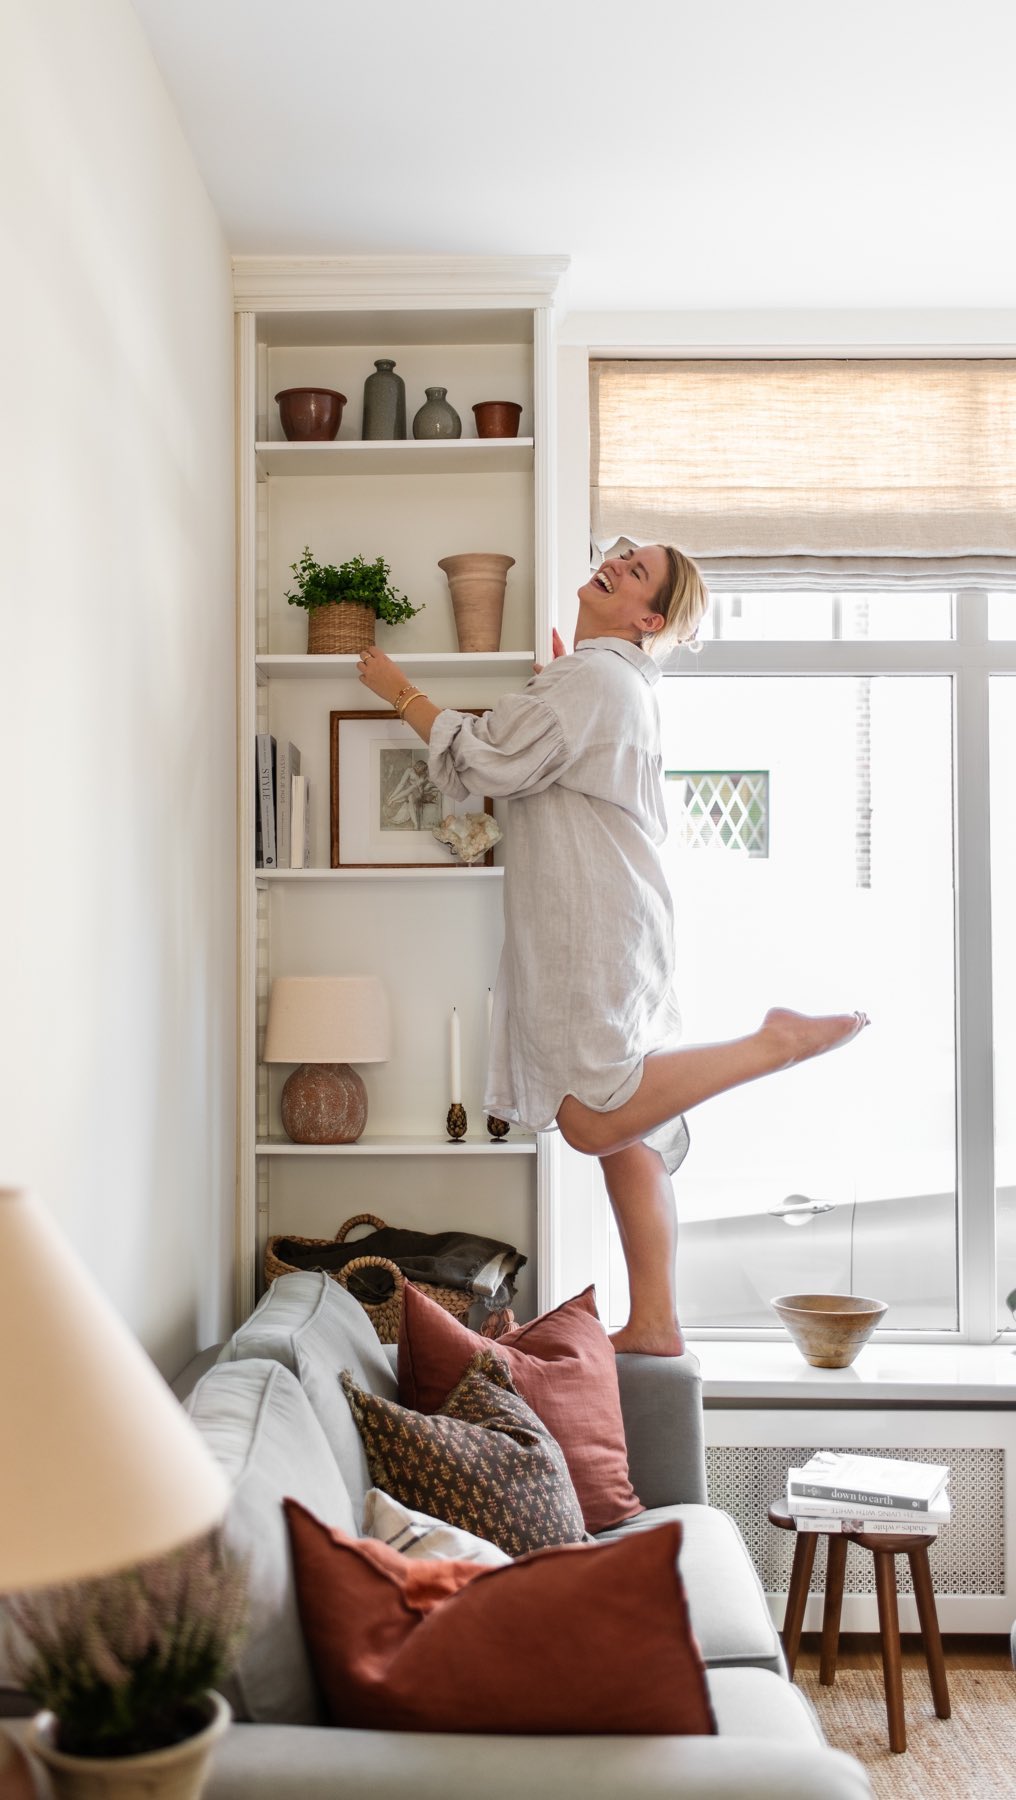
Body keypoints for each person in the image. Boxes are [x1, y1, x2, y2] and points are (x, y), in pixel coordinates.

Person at [356, 544, 868, 1355]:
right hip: (615, 913)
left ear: (648, 619)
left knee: (594, 1121)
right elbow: (539, 752)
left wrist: (400, 693)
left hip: (588, 920)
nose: (618, 563)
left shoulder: (596, 679)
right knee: (626, 1139)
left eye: (636, 572)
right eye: (622, 554)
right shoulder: (605, 677)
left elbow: (488, 757)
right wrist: (552, 682)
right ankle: (658, 1322)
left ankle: (772, 1044)